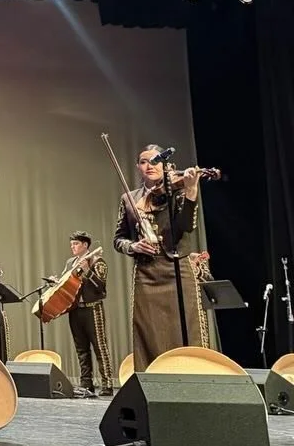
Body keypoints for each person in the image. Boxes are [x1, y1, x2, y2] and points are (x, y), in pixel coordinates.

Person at [113, 147, 205, 370]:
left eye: (155, 161)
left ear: (165, 165)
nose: (150, 165)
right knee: (149, 329)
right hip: (146, 273)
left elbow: (186, 227)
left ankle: (193, 375)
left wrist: (191, 192)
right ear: (138, 167)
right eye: (144, 162)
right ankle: (152, 379)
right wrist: (134, 246)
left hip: (178, 268)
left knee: (186, 326)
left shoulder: (178, 191)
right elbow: (118, 239)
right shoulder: (129, 199)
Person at [60, 231, 113, 396]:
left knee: (99, 346)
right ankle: (86, 383)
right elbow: (66, 281)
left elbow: (101, 288)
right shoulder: (70, 263)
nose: (73, 247)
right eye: (71, 244)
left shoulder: (97, 261)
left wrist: (87, 271)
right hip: (75, 309)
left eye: (76, 244)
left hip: (92, 308)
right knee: (81, 348)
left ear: (85, 245)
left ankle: (107, 384)